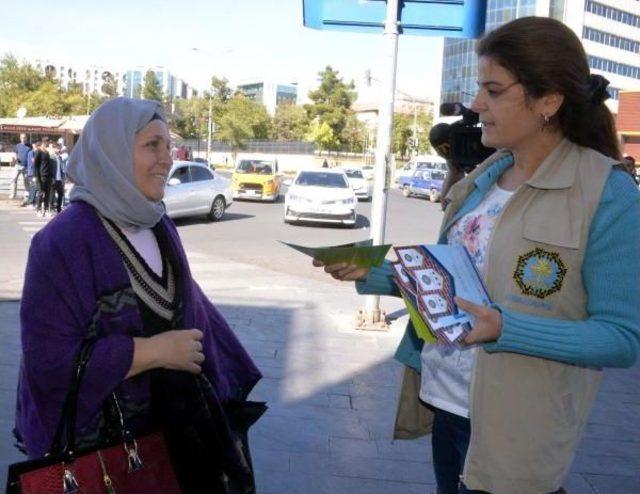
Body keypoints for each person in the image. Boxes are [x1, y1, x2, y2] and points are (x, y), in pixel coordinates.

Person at [313, 16, 640, 494]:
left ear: (548, 101)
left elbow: (621, 338)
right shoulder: (484, 178)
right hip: (446, 398)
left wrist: (506, 329)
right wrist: (375, 272)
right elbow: (455, 282)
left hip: (517, 423)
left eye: (493, 90)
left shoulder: (606, 192)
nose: (476, 104)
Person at [14, 97, 264, 493]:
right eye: (152, 146)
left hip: (176, 437)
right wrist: (153, 352)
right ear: (111, 153)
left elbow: (190, 311)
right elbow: (48, 365)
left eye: (168, 146)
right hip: (103, 456)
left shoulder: (158, 223)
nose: (167, 159)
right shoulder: (62, 242)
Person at [10, 133, 31, 202]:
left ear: (26, 138)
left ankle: (28, 194)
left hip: (26, 166)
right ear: (20, 138)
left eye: (24, 137)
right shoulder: (17, 146)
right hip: (17, 165)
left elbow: (31, 156)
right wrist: (14, 158)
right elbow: (14, 154)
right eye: (22, 138)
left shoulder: (30, 146)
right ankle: (13, 194)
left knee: (26, 181)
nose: (23, 139)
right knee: (14, 179)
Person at [33, 138, 51, 216]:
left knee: (47, 193)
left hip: (47, 175)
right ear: (43, 142)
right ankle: (38, 209)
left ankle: (46, 209)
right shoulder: (38, 151)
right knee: (40, 193)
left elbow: (48, 165)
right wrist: (35, 176)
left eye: (48, 142)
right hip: (41, 175)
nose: (47, 144)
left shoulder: (47, 152)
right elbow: (35, 165)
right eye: (46, 142)